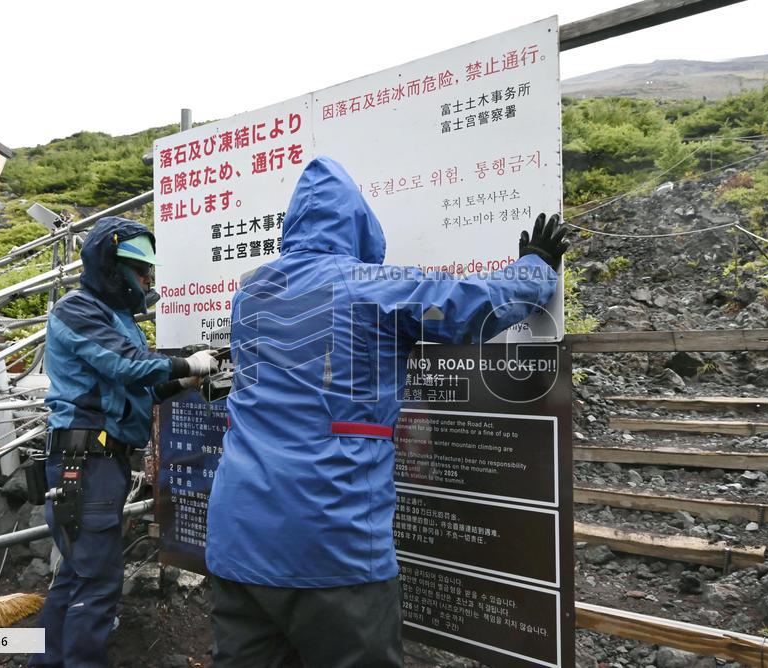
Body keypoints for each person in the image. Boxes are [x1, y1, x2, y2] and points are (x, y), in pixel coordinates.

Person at [205, 157, 568, 667]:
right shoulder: (373, 286)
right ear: (359, 224)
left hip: (236, 537)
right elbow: (471, 306)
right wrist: (535, 266)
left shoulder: (250, 295)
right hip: (331, 545)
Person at [30, 216, 219, 668]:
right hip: (87, 463)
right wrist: (187, 363)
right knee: (96, 583)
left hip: (97, 463)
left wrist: (193, 378)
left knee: (76, 577)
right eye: (140, 270)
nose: (147, 280)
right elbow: (128, 366)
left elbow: (144, 388)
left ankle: (45, 661)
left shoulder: (115, 318)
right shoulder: (77, 310)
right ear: (111, 267)